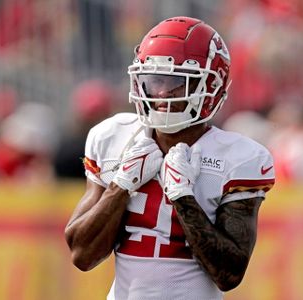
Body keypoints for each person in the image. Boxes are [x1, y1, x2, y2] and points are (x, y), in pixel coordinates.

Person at [65, 16, 275, 300]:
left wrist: (183, 198)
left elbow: (229, 274)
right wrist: (121, 186)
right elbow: (82, 254)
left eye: (176, 82)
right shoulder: (114, 137)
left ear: (211, 86)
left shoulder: (238, 157)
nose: (162, 92)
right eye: (154, 80)